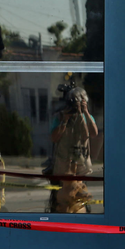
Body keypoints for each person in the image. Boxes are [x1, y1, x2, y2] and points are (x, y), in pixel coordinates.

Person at [48, 83, 97, 214]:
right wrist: (65, 120)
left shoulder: (86, 117)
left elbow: (93, 133)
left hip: (80, 167)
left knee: (79, 201)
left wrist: (84, 112)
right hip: (64, 169)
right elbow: (54, 137)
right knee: (63, 203)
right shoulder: (60, 117)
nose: (74, 108)